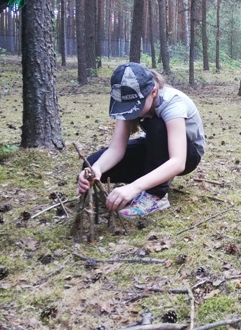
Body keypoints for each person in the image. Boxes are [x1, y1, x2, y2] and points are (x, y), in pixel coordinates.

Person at [77, 62, 205, 219]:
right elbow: (116, 149)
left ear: (153, 92)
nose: (130, 111)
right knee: (91, 162)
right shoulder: (125, 101)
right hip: (152, 147)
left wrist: (134, 188)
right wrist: (96, 169)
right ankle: (149, 179)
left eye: (135, 106)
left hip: (186, 155)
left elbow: (178, 162)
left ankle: (155, 196)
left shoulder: (172, 102)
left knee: (157, 124)